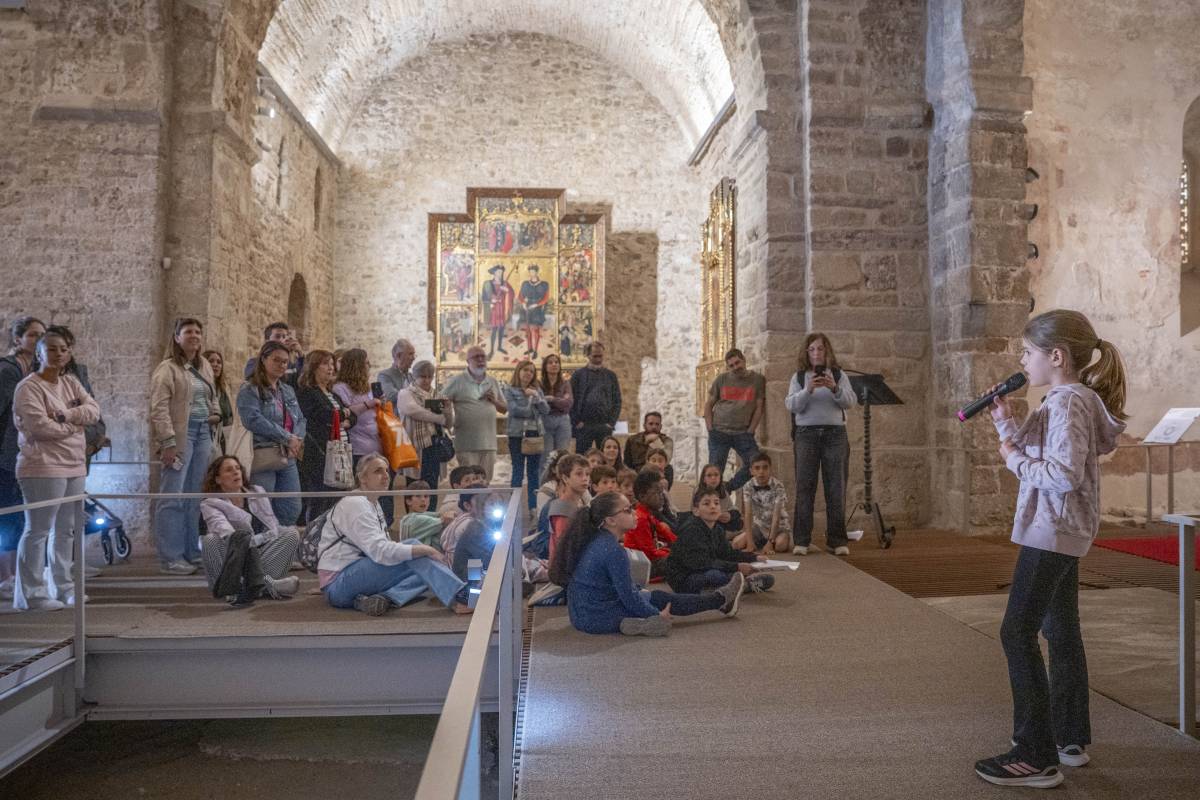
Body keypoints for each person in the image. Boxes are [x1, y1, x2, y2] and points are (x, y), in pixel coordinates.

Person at [973, 310, 1127, 789]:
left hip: (1052, 530)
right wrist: (1005, 425)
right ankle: (1068, 737)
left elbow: (1060, 475)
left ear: (1055, 356)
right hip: (1059, 530)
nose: (1022, 361)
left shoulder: (1065, 404)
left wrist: (1014, 459)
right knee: (1060, 630)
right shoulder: (1068, 400)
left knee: (1015, 632)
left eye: (1027, 352)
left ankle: (1034, 755)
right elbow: (1046, 455)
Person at [549, 491, 746, 637]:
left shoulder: (596, 538)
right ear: (610, 520)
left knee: (654, 595)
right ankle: (719, 600)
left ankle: (718, 600)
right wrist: (657, 615)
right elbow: (628, 597)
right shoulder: (612, 549)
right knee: (656, 601)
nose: (634, 513)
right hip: (598, 615)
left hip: (582, 614)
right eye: (627, 510)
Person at [11, 330, 100, 610]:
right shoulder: (28, 388)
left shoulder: (72, 382)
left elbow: (93, 411)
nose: (58, 353)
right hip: (43, 465)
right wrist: (75, 426)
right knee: (38, 530)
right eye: (51, 349)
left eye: (63, 349)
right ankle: (33, 593)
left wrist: (66, 416)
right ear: (39, 353)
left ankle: (64, 587)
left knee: (67, 530)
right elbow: (40, 427)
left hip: (74, 463)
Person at [318, 454, 468, 617]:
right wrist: (426, 550)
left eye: (387, 471)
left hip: (349, 581)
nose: (385, 476)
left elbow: (383, 550)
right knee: (418, 554)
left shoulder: (372, 502)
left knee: (426, 568)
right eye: (378, 471)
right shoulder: (355, 503)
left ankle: (384, 598)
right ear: (362, 478)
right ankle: (460, 599)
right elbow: (380, 552)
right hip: (338, 583)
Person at [151, 317, 220, 574]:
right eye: (188, 331)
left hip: (203, 432)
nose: (194, 335)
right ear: (177, 337)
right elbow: (159, 408)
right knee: (173, 496)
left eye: (198, 331)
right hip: (181, 434)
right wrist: (168, 442)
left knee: (194, 496)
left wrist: (214, 414)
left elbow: (212, 395)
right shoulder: (167, 369)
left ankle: (191, 550)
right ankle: (171, 556)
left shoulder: (203, 366)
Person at [784, 333, 857, 555]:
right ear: (807, 353)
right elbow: (791, 405)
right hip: (806, 434)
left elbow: (850, 402)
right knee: (805, 486)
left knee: (836, 486)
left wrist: (835, 388)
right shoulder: (798, 377)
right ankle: (802, 540)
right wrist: (808, 390)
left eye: (821, 349)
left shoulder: (838, 375)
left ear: (827, 352)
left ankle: (837, 540)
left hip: (835, 434)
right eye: (812, 349)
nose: (817, 353)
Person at [198, 456, 300, 605]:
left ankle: (257, 585)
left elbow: (273, 527)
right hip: (232, 555)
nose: (235, 472)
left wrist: (260, 539)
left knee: (290, 533)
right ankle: (244, 587)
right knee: (209, 540)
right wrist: (256, 540)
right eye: (229, 470)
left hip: (258, 551)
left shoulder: (257, 491)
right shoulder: (210, 503)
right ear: (218, 479)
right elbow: (229, 535)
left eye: (237, 468)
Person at [237, 341, 306, 527]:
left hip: (288, 454)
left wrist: (297, 439)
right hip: (263, 453)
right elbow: (252, 419)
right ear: (264, 359)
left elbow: (300, 419)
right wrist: (287, 437)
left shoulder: (287, 390)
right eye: (277, 360)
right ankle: (261, 549)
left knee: (291, 507)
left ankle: (279, 546)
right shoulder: (250, 389)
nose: (282, 365)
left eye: (285, 362)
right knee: (262, 508)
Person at [0, 316, 44, 600]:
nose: (38, 339)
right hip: (7, 450)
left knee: (23, 514)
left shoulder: (37, 369)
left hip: (27, 450)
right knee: (9, 513)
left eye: (42, 335)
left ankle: (21, 573)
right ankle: (6, 575)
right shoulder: (8, 370)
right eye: (32, 335)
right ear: (18, 339)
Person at [666, 487, 773, 596]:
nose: (713, 506)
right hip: (685, 577)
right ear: (696, 511)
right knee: (715, 575)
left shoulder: (717, 529)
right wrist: (737, 567)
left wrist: (754, 558)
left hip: (703, 570)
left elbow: (728, 554)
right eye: (706, 504)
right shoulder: (691, 529)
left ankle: (735, 586)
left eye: (716, 503)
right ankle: (739, 586)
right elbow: (702, 563)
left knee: (767, 578)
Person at [333, 348, 391, 523]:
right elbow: (345, 412)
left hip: (377, 446)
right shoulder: (340, 388)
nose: (369, 366)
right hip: (358, 446)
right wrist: (369, 404)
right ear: (357, 365)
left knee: (381, 492)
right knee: (362, 493)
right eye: (366, 363)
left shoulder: (368, 387)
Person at [295, 350, 353, 523]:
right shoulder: (308, 393)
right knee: (320, 499)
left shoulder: (333, 394)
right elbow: (323, 415)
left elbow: (351, 416)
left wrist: (343, 417)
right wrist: (342, 415)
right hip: (320, 452)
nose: (330, 368)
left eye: (331, 363)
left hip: (340, 451)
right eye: (325, 364)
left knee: (340, 498)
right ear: (313, 367)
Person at [704, 348, 766, 492]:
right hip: (719, 432)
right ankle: (710, 502)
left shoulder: (757, 380)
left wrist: (751, 430)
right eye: (731, 365)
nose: (735, 367)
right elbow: (709, 404)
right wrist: (710, 428)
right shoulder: (722, 379)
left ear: (744, 360)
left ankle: (729, 487)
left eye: (737, 363)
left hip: (743, 433)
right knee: (714, 471)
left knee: (755, 463)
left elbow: (759, 407)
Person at [441, 346, 507, 480]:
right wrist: (447, 410)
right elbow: (441, 401)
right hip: (466, 443)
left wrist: (494, 400)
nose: (481, 360)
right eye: (476, 357)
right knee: (468, 484)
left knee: (485, 482)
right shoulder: (457, 381)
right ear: (468, 361)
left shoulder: (492, 381)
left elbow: (504, 408)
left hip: (488, 443)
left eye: (483, 356)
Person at [396, 360, 453, 510]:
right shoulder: (405, 393)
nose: (427, 380)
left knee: (431, 486)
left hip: (433, 446)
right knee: (413, 486)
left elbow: (448, 424)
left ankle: (431, 518)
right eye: (423, 377)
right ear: (415, 377)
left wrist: (448, 410)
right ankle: (413, 521)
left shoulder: (438, 395)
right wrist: (438, 417)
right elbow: (413, 410)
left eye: (430, 377)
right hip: (415, 447)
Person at [504, 359, 549, 512]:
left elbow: (546, 410)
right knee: (517, 470)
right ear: (518, 371)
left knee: (533, 473)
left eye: (531, 371)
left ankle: (533, 508)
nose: (528, 373)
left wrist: (536, 397)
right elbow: (515, 410)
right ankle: (513, 508)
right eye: (525, 370)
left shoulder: (536, 390)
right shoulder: (510, 390)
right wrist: (531, 404)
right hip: (517, 434)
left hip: (534, 433)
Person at [204, 348, 253, 471]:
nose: (215, 364)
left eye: (219, 362)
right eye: (211, 361)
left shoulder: (224, 388)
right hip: (207, 435)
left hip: (225, 437)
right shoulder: (201, 387)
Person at [734, 453, 792, 554]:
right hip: (760, 527)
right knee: (736, 544)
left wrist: (770, 542)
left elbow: (776, 516)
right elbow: (748, 514)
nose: (761, 472)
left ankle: (771, 542)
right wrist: (750, 542)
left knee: (780, 546)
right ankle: (758, 542)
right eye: (757, 468)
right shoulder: (748, 486)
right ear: (751, 471)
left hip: (779, 528)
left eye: (765, 468)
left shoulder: (778, 486)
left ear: (770, 469)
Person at [623, 468, 676, 579]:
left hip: (652, 560)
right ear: (642, 496)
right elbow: (649, 554)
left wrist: (682, 547)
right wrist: (675, 553)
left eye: (662, 492)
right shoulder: (640, 518)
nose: (662, 496)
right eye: (657, 492)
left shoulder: (649, 515)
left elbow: (670, 537)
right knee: (677, 560)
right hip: (641, 565)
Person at [569, 342, 621, 452]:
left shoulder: (610, 375)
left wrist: (611, 423)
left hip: (604, 425)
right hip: (584, 425)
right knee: (582, 459)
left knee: (605, 459)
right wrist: (576, 421)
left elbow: (617, 400)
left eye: (600, 356)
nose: (598, 359)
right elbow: (570, 400)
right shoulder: (578, 375)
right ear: (587, 355)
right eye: (595, 356)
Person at [546, 453, 591, 563]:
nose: (585, 478)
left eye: (587, 474)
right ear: (565, 478)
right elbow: (566, 550)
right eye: (579, 474)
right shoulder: (563, 510)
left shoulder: (579, 502)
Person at [539, 354, 573, 462]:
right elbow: (539, 403)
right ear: (545, 366)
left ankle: (562, 479)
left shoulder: (565, 383)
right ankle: (545, 479)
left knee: (562, 456)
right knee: (546, 457)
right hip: (545, 420)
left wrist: (552, 399)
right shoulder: (539, 384)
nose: (554, 364)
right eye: (550, 362)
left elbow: (568, 403)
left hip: (562, 420)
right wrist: (559, 401)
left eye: (556, 362)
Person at [622, 412, 674, 480]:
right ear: (644, 425)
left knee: (669, 469)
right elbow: (627, 462)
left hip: (658, 472)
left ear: (660, 426)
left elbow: (667, 459)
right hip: (637, 473)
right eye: (651, 424)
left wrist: (656, 442)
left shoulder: (667, 440)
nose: (654, 427)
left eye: (657, 424)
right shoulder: (632, 440)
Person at [697, 463, 743, 532]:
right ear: (704, 479)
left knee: (738, 522)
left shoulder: (723, 490)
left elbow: (733, 508)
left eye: (716, 475)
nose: (713, 478)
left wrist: (730, 515)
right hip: (706, 520)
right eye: (709, 475)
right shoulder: (698, 491)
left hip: (722, 519)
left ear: (720, 478)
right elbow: (695, 511)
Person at [481, 265, 515, 358]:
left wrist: (507, 290)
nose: (500, 274)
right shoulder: (488, 283)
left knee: (501, 329)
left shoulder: (505, 283)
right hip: (494, 309)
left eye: (501, 272)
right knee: (494, 330)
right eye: (499, 272)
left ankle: (499, 347)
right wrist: (491, 301)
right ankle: (491, 350)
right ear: (494, 273)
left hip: (502, 309)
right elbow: (484, 297)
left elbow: (512, 293)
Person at [398, 482, 443, 548]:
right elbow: (445, 520)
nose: (423, 499)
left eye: (426, 496)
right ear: (408, 501)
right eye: (418, 496)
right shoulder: (416, 519)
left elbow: (436, 514)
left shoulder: (406, 518)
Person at [518, 265, 550, 356]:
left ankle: (535, 350)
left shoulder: (544, 284)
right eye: (530, 272)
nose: (532, 273)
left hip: (537, 308)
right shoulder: (525, 284)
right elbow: (520, 296)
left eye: (534, 272)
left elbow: (546, 298)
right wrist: (523, 303)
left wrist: (536, 305)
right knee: (527, 330)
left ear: (537, 272)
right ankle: (530, 348)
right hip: (527, 308)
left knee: (535, 330)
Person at [377, 338, 416, 404]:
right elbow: (392, 396)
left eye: (414, 354)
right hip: (395, 414)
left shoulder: (411, 376)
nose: (413, 358)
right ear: (399, 355)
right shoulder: (384, 375)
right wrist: (415, 393)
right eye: (410, 354)